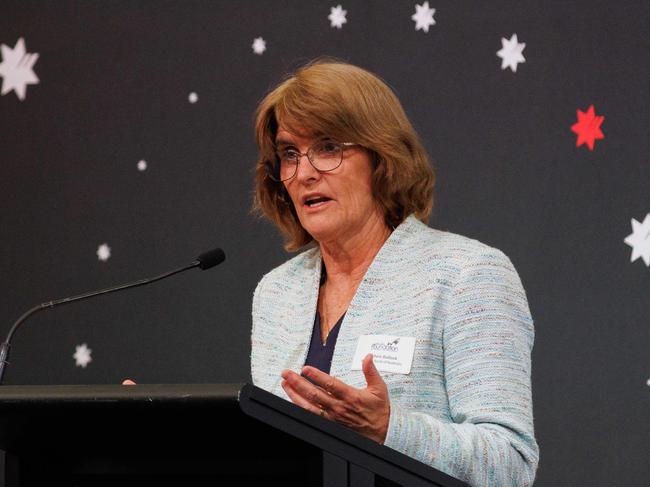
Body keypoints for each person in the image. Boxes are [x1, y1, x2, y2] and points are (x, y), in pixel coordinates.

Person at [250, 58, 539, 486]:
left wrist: (388, 428)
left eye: (328, 147)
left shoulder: (466, 275)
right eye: (289, 154)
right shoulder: (276, 293)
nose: (304, 172)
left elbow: (510, 465)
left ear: (381, 158)